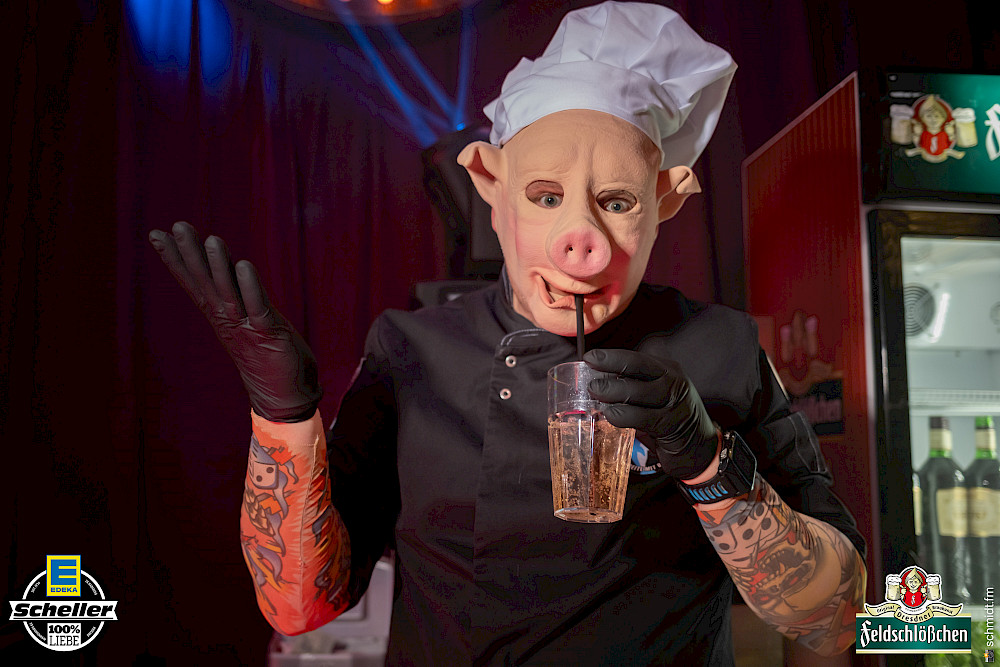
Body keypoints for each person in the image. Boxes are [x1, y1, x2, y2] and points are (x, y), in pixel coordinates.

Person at [149, 3, 867, 664]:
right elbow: (300, 606)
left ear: (665, 202)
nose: (580, 239)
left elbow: (836, 619)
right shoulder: (410, 351)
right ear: (489, 186)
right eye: (546, 196)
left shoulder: (724, 347)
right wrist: (283, 419)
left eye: (617, 201)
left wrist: (709, 462)